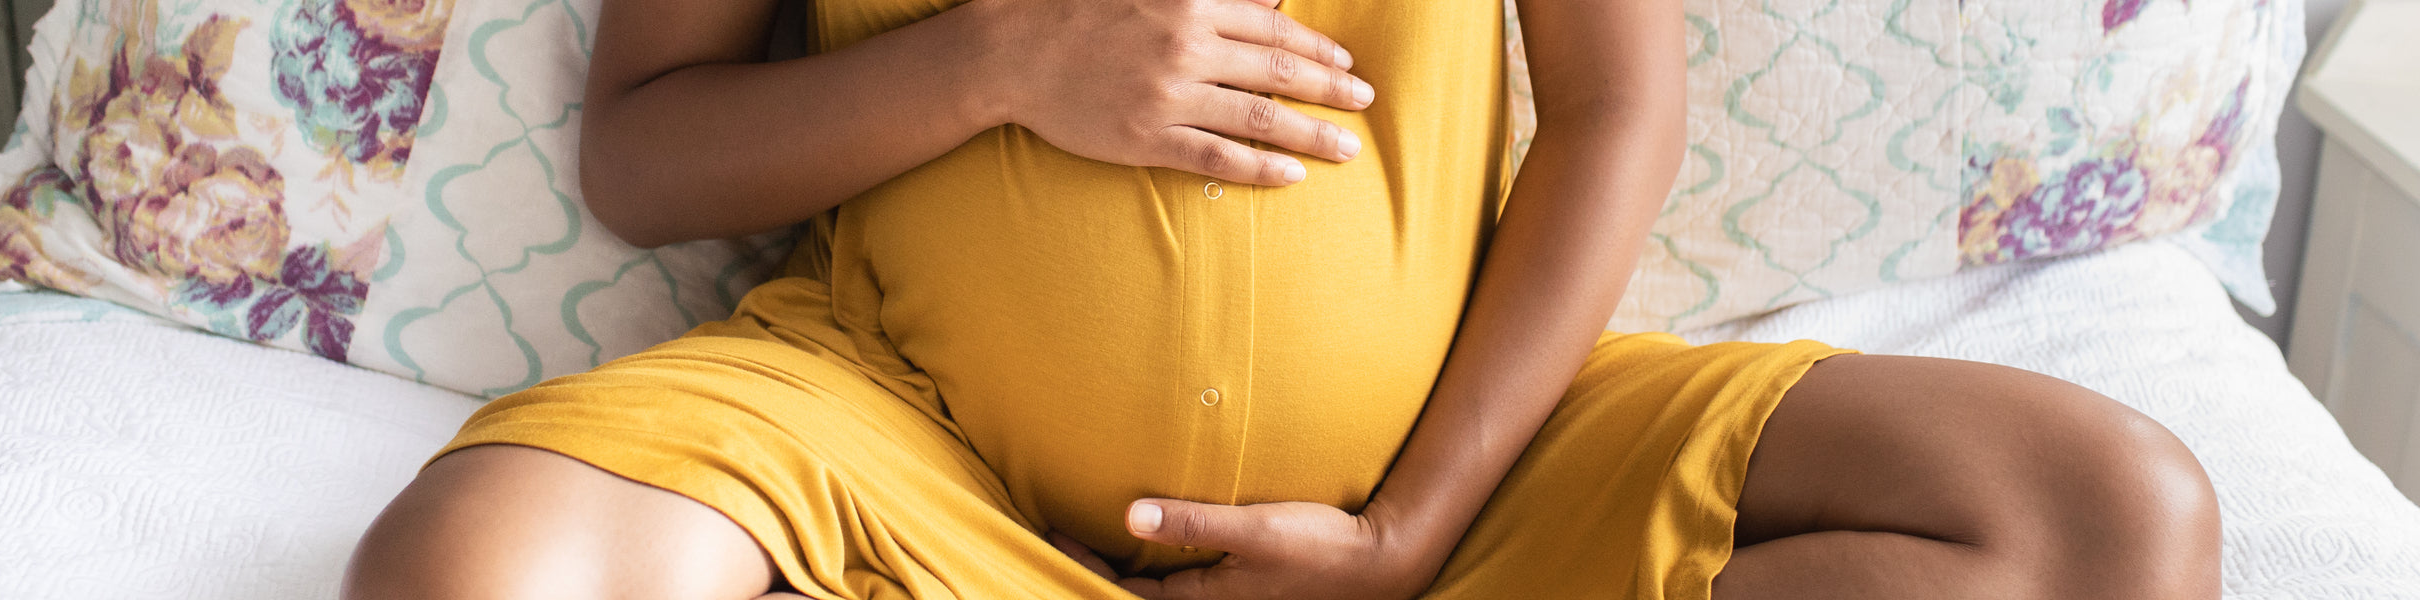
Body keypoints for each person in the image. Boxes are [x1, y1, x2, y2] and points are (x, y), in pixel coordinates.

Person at [341, 0, 2223, 597]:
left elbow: (1620, 110)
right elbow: (644, 156)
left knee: (2110, 523)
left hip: (1460, 495)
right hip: (911, 457)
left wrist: (1411, 530)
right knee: (472, 565)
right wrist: (1007, 57)